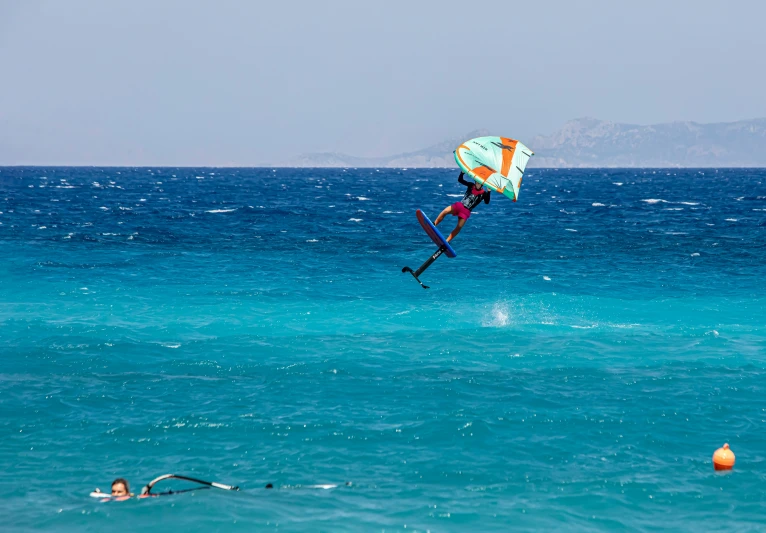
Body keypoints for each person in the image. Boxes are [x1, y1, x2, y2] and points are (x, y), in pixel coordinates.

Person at [433, 172, 490, 242]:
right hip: (460, 205)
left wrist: (489, 192)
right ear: (475, 182)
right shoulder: (471, 185)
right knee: (445, 211)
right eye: (477, 182)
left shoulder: (484, 193)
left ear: (482, 184)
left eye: (479, 183)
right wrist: (462, 173)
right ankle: (434, 224)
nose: (477, 184)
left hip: (466, 211)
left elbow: (487, 202)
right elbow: (460, 180)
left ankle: (447, 241)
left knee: (459, 227)